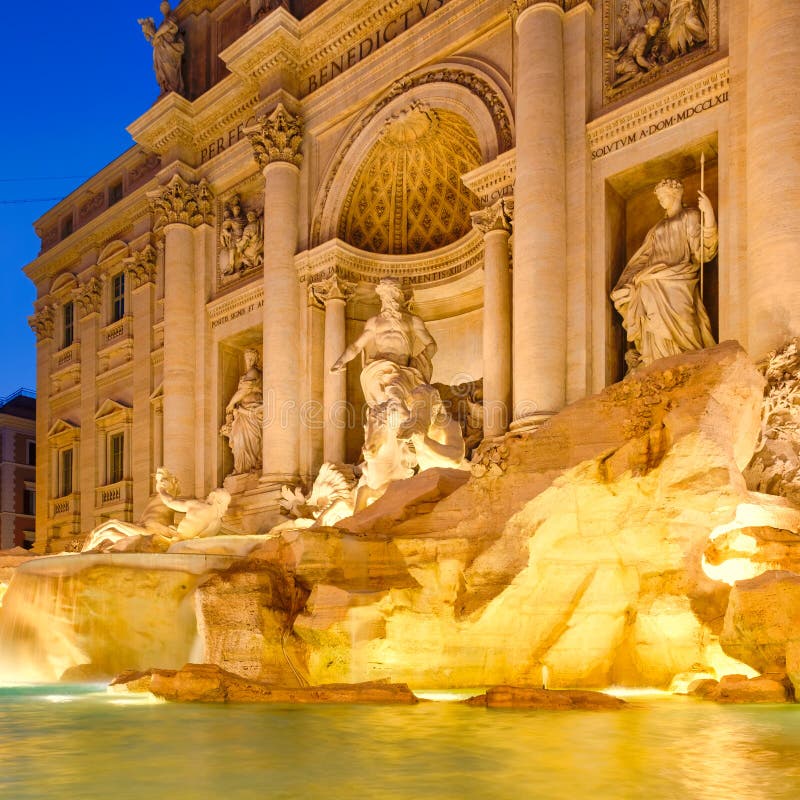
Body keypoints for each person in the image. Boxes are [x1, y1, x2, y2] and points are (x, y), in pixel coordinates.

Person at [611, 177, 717, 368]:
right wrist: (627, 281)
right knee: (650, 317)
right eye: (659, 197)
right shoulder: (657, 228)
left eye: (662, 196)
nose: (660, 200)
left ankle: (688, 363)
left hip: (679, 277)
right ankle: (656, 364)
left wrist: (708, 214)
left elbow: (703, 252)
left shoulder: (690, 216)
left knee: (685, 321)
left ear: (674, 194)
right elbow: (643, 257)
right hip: (650, 279)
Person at [221, 348, 263, 474]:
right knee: (239, 439)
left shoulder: (254, 372)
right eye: (247, 358)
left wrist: (231, 403)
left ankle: (251, 466)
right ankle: (241, 469)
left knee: (252, 440)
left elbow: (246, 389)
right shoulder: (246, 374)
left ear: (256, 359)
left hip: (252, 411)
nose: (249, 360)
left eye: (252, 358)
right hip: (243, 412)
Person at [139, 2, 185, 96]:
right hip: (161, 49)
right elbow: (161, 31)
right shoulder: (162, 23)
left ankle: (172, 87)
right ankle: (165, 88)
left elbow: (167, 26)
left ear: (168, 7)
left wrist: (156, 35)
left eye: (165, 7)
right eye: (162, 8)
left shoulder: (172, 17)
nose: (163, 9)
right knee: (161, 69)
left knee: (169, 66)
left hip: (168, 49)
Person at [158, 485, 231, 540]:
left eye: (211, 494)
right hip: (191, 545)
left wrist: (161, 490)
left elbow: (169, 502)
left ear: (215, 497)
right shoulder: (217, 524)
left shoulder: (198, 505)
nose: (208, 496)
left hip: (178, 541)